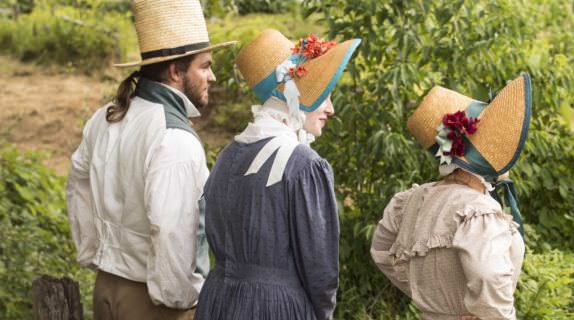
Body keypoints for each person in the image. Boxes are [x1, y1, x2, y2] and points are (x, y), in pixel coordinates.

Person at [66, 1, 236, 319]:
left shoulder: (104, 117)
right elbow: (171, 229)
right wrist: (182, 301)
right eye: (205, 65)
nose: (212, 76)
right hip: (154, 303)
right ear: (175, 71)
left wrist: (92, 252)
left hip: (106, 289)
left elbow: (78, 187)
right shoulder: (175, 138)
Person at [194, 29, 360, 320]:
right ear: (297, 97)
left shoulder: (228, 157)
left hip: (218, 303)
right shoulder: (305, 165)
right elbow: (321, 271)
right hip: (275, 308)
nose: (331, 109)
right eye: (325, 96)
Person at [371, 73, 533, 319]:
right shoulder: (478, 210)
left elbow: (381, 250)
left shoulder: (410, 201)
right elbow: (489, 275)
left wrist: (427, 296)